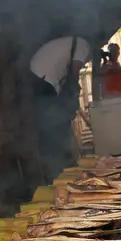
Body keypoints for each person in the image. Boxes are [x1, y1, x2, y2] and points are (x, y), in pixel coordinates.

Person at [30, 36, 91, 182]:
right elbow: (74, 75)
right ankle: (57, 173)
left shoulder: (71, 44)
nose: (85, 64)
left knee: (52, 124)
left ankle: (55, 170)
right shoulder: (84, 45)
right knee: (53, 126)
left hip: (38, 74)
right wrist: (71, 99)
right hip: (43, 78)